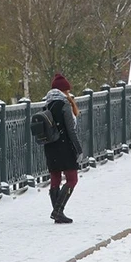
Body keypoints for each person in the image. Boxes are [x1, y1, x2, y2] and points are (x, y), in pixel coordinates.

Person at [44, 74, 84, 224]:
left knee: (55, 178)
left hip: (50, 147)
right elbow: (70, 131)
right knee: (72, 179)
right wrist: (79, 149)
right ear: (63, 91)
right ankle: (58, 211)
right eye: (67, 91)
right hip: (64, 147)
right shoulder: (64, 105)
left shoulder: (47, 105)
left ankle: (57, 212)